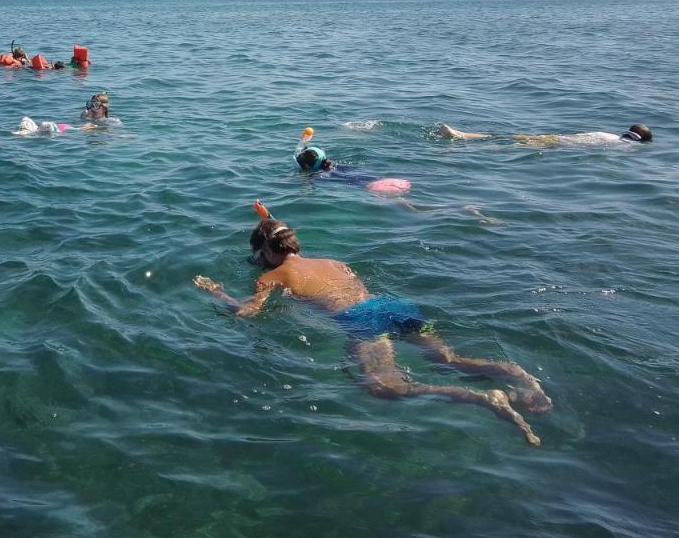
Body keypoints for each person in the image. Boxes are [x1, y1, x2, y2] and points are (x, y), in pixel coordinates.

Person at [193, 212, 551, 446]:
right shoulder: (334, 261)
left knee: (384, 387)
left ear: (268, 254)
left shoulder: (271, 276)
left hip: (362, 321)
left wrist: (217, 292)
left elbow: (247, 313)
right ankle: (515, 374)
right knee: (449, 358)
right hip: (392, 305)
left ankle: (483, 397)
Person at [295, 145, 412, 196]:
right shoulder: (335, 165)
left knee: (398, 202)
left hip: (371, 187)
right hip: (381, 179)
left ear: (306, 167)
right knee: (400, 200)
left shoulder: (319, 175)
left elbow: (306, 186)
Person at [436, 123, 652, 146]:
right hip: (556, 145)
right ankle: (459, 140)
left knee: (502, 137)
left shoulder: (607, 134)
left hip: (554, 137)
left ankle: (460, 133)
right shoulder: (624, 147)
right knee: (503, 147)